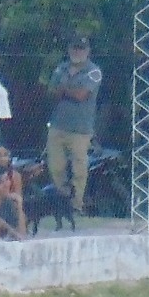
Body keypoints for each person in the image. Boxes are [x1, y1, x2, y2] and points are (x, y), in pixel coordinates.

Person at [45, 35, 102, 214]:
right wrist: (68, 91)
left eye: (81, 49)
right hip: (57, 125)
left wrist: (64, 90)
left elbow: (82, 95)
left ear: (87, 51)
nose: (77, 52)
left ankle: (76, 204)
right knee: (55, 167)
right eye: (75, 48)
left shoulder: (93, 71)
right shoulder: (61, 68)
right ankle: (62, 203)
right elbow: (50, 91)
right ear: (69, 49)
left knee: (79, 169)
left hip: (81, 129)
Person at [0, 164, 27, 240]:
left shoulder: (8, 203)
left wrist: (19, 207)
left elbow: (22, 234)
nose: (6, 185)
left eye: (7, 180)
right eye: (0, 182)